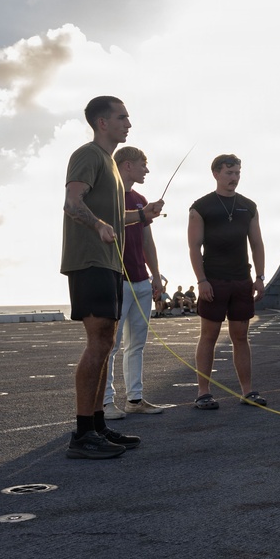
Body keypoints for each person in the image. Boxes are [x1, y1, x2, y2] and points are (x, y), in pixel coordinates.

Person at [62, 96, 162, 458]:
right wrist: (99, 223)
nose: (129, 124)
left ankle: (98, 426)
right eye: (122, 117)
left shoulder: (109, 164)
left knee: (105, 343)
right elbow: (73, 203)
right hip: (89, 261)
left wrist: (143, 215)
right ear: (102, 122)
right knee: (99, 342)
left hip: (107, 263)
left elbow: (116, 219)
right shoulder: (89, 155)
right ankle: (82, 434)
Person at [188, 154, 267, 409]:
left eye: (237, 173)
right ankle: (203, 392)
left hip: (242, 280)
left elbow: (257, 244)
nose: (234, 178)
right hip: (213, 280)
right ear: (216, 174)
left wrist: (260, 277)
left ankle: (248, 391)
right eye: (229, 173)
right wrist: (201, 281)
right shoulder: (200, 207)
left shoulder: (249, 206)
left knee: (241, 336)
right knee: (208, 335)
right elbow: (194, 248)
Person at [102, 146, 165, 420]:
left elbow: (148, 242)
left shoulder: (140, 198)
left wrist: (157, 276)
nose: (147, 170)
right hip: (117, 279)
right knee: (110, 345)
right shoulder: (108, 195)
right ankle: (104, 403)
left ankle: (135, 399)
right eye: (143, 164)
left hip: (141, 280)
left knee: (136, 344)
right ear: (127, 165)